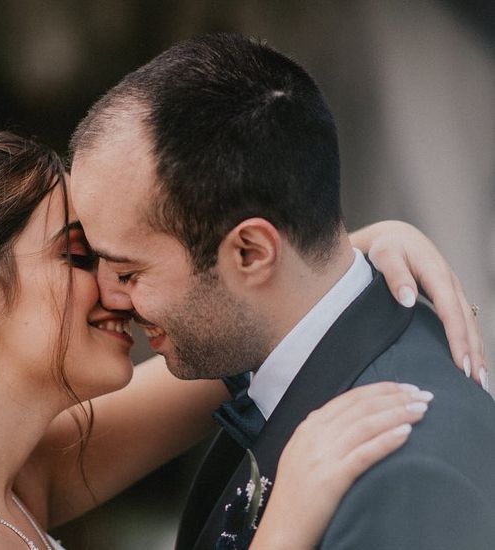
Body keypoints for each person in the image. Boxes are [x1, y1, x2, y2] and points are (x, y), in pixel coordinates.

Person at [0, 126, 482, 549]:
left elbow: (245, 327)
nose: (116, 289)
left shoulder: (24, 478)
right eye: (76, 255)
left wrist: (347, 249)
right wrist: (286, 520)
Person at [67, 33, 495, 549]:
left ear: (249, 253)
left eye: (129, 272)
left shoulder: (409, 476)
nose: (110, 296)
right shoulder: (273, 361)